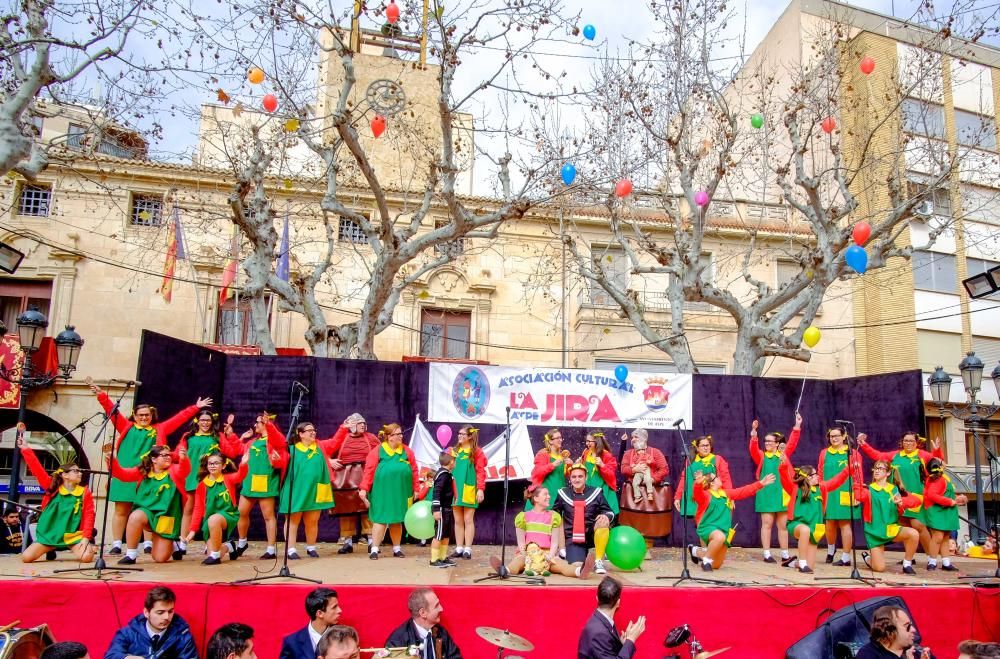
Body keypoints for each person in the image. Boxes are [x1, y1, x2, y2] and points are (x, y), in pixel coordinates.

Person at [88, 377, 208, 556]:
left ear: (152, 416)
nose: (144, 417)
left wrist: (195, 408)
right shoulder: (126, 427)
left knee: (147, 507)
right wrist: (101, 395)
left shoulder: (159, 429)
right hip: (126, 474)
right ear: (135, 416)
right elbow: (112, 412)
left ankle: (147, 544)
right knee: (121, 509)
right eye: (140, 415)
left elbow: (178, 419)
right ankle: (117, 543)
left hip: (147, 476)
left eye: (147, 415)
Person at [859, 431, 944, 559]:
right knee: (904, 524)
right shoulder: (895, 455)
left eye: (911, 441)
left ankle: (931, 557)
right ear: (902, 442)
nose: (908, 443)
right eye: (906, 441)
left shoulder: (922, 455)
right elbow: (878, 455)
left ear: (917, 443)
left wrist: (937, 451)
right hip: (899, 495)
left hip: (917, 496)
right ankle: (910, 557)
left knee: (918, 525)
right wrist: (864, 444)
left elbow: (937, 462)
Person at [16, 436, 96, 564]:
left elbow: (89, 516)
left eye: (80, 471)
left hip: (72, 536)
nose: (80, 473)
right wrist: (26, 449)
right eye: (76, 471)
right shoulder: (52, 487)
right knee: (26, 557)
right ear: (65, 475)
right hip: (50, 535)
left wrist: (86, 538)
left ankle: (65, 546)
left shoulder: (84, 492)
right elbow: (38, 470)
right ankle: (51, 547)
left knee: (87, 558)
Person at [174, 410, 242, 557]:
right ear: (197, 421)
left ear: (212, 422)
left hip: (210, 476)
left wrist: (230, 435)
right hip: (191, 476)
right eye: (203, 420)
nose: (205, 423)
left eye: (208, 420)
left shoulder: (217, 436)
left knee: (208, 510)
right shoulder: (188, 436)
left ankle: (209, 543)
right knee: (188, 509)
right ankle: (183, 542)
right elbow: (177, 453)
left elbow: (231, 453)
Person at [109, 444, 190, 564]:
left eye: (169, 455)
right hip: (147, 512)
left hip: (166, 515)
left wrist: (183, 459)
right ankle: (131, 554)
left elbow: (185, 471)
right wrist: (111, 461)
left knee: (159, 558)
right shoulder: (144, 471)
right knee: (135, 516)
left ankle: (174, 545)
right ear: (154, 459)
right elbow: (122, 474)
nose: (168, 457)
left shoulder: (174, 470)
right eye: (164, 455)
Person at [779, 456, 856, 573]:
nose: (817, 476)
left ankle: (793, 563)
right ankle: (802, 563)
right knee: (804, 531)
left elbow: (837, 480)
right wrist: (783, 464)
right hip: (797, 524)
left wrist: (849, 469)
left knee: (811, 566)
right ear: (807, 477)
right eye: (814, 475)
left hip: (814, 527)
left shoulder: (822, 488)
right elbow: (784, 477)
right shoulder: (795, 488)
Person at [273, 421, 337, 559]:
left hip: (315, 490)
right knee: (292, 520)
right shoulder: (291, 449)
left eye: (314, 430)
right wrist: (275, 460)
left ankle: (311, 547)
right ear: (301, 434)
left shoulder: (320, 447)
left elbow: (335, 442)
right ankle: (290, 549)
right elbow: (279, 463)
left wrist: (344, 428)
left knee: (313, 520)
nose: (313, 432)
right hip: (295, 490)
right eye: (309, 430)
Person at [690, 469, 774, 571]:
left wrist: (761, 483)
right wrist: (697, 484)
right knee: (719, 537)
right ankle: (706, 560)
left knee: (716, 565)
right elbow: (697, 493)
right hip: (707, 527)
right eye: (716, 477)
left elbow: (743, 491)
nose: (719, 478)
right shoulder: (706, 495)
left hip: (723, 530)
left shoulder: (725, 493)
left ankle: (695, 551)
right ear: (712, 483)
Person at [359, 423, 419, 560]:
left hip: (400, 491)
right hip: (382, 492)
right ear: (389, 437)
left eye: (401, 433)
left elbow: (415, 471)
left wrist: (416, 488)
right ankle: (374, 549)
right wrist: (364, 488)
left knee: (396, 520)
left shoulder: (407, 451)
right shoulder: (377, 451)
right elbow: (369, 471)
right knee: (380, 520)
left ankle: (397, 548)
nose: (400, 436)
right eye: (397, 434)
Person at [489, 484, 576, 577]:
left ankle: (579, 571)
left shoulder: (554, 516)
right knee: (518, 562)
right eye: (545, 494)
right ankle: (505, 570)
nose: (549, 496)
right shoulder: (522, 517)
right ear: (536, 498)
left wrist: (550, 556)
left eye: (548, 494)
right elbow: (521, 543)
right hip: (528, 554)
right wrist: (528, 557)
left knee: (561, 565)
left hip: (546, 554)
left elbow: (554, 543)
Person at [749, 413, 802, 564]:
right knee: (767, 524)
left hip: (782, 493)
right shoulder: (762, 456)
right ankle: (767, 554)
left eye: (770, 441)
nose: (766, 443)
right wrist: (754, 434)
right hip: (766, 493)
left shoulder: (783, 455)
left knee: (783, 526)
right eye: (765, 441)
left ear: (778, 443)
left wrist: (797, 426)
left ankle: (785, 554)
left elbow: (792, 442)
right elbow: (753, 449)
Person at [233, 413, 287, 559]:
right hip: (249, 481)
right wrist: (236, 436)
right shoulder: (252, 442)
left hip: (266, 482)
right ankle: (242, 542)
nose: (255, 425)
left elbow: (280, 441)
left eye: (258, 422)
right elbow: (238, 449)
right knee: (241, 512)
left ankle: (271, 549)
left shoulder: (274, 440)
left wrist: (269, 424)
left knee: (268, 516)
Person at [853, 460, 921, 574]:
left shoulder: (894, 489)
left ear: (888, 473)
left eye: (880, 468)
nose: (877, 471)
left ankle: (907, 564)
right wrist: (856, 481)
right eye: (875, 468)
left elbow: (917, 501)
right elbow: (858, 495)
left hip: (890, 529)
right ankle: (868, 558)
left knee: (913, 534)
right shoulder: (869, 489)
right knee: (879, 568)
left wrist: (902, 502)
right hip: (874, 532)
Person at [325, 413, 379, 554]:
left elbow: (381, 453)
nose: (363, 425)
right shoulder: (341, 438)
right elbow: (322, 451)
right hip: (345, 481)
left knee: (367, 509)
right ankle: (347, 542)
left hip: (366, 477)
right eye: (359, 423)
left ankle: (372, 541)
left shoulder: (371, 438)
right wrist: (329, 461)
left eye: (364, 423)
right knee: (346, 511)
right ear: (352, 425)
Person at [184, 452, 249, 565]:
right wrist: (192, 531)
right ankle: (229, 546)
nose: (212, 466)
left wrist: (243, 464)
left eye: (216, 463)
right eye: (210, 463)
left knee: (214, 520)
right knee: (213, 552)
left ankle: (215, 554)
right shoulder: (202, 485)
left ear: (223, 466)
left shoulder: (228, 479)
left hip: (228, 515)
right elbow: (198, 508)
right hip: (210, 522)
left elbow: (240, 475)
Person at [551, 463, 614, 577]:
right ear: (570, 479)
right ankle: (576, 559)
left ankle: (598, 560)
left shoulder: (596, 492)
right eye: (574, 477)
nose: (577, 479)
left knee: (603, 522)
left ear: (586, 477)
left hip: (591, 536)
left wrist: (606, 516)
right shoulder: (563, 493)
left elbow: (609, 511)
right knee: (577, 564)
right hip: (573, 538)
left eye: (580, 476)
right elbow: (554, 516)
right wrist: (558, 546)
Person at [104, 585, 198, 659]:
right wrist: (126, 657)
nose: (166, 617)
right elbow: (110, 655)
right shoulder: (128, 633)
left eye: (170, 611)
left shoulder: (183, 636)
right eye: (160, 612)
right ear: (146, 612)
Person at [619, 429, 670, 554]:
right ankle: (633, 548)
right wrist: (634, 469)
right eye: (632, 437)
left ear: (643, 439)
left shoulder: (655, 452)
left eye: (635, 437)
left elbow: (664, 469)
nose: (633, 439)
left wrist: (653, 479)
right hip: (633, 491)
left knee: (647, 520)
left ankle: (646, 548)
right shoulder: (629, 453)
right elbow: (623, 468)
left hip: (650, 490)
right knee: (633, 519)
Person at [818, 426, 861, 567]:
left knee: (845, 524)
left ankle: (846, 557)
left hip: (846, 491)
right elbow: (820, 473)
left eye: (837, 436)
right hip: (829, 493)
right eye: (831, 436)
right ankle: (831, 549)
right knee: (829, 524)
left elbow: (858, 476)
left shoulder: (853, 453)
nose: (834, 438)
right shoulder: (824, 453)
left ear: (844, 436)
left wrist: (857, 493)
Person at [577, 576, 645, 659]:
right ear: (618, 602)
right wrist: (631, 640)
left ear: (597, 598)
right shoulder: (599, 633)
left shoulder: (602, 621)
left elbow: (606, 653)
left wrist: (623, 645)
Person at [384, 588, 461, 659]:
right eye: (436, 606)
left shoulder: (441, 632)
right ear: (423, 613)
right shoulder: (397, 642)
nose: (441, 608)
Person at [448, 425, 487, 560]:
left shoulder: (477, 452)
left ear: (470, 436)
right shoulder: (453, 451)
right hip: (455, 489)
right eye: (459, 433)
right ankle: (459, 548)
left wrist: (480, 489)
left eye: (463, 434)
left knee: (468, 519)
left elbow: (481, 472)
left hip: (469, 488)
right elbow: (448, 469)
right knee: (458, 520)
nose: (460, 436)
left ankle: (468, 549)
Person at [923, 457, 968, 572]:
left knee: (945, 537)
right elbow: (932, 495)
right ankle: (932, 562)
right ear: (941, 466)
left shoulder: (937, 478)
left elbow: (942, 494)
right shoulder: (938, 480)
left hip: (944, 511)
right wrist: (950, 501)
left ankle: (946, 562)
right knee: (937, 537)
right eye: (942, 462)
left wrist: (957, 499)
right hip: (938, 510)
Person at [675, 434, 731, 519]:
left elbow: (726, 479)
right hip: (694, 500)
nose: (706, 448)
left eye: (707, 445)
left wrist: (730, 497)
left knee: (710, 527)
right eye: (703, 445)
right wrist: (677, 497)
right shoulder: (690, 461)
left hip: (711, 499)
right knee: (700, 527)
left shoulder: (717, 459)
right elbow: (684, 479)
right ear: (697, 448)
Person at [279, 587, 342, 659]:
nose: (340, 610)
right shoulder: (292, 642)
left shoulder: (343, 637)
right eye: (334, 607)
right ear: (320, 613)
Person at [855, 605, 929, 659]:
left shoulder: (918, 651)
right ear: (889, 630)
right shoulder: (868, 655)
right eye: (907, 626)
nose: (913, 630)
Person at [529, 428, 571, 507]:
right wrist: (552, 465)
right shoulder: (543, 454)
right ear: (550, 441)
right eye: (557, 438)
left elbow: (564, 476)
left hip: (559, 496)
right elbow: (536, 473)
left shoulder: (562, 456)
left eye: (561, 437)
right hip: (545, 496)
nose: (560, 440)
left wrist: (570, 465)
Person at [581, 431, 620, 515]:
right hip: (589, 489)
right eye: (586, 441)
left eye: (589, 441)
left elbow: (611, 476)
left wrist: (602, 465)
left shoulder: (607, 455)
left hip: (603, 491)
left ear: (596, 441)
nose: (587, 443)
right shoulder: (586, 453)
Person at [430, 452, 456, 568]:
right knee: (439, 535)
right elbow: (436, 493)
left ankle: (442, 557)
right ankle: (434, 559)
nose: (455, 463)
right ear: (451, 462)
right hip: (440, 510)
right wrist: (436, 509)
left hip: (447, 508)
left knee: (445, 535)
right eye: (454, 461)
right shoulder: (442, 475)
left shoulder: (447, 474)